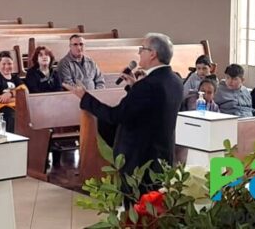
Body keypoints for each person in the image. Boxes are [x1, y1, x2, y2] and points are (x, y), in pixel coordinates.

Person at [73, 33, 184, 198]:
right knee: (156, 205)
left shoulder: (147, 85)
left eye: (142, 49)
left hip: (139, 159)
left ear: (153, 54)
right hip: (162, 153)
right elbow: (152, 108)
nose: (139, 53)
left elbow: (115, 116)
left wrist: (85, 98)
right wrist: (134, 86)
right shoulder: (175, 80)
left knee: (137, 208)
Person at [0, 51, 25, 132]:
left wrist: (10, 94)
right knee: (11, 114)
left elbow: (24, 92)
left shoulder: (15, 78)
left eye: (9, 64)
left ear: (13, 64)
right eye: (4, 64)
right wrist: (16, 98)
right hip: (2, 110)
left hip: (16, 106)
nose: (7, 66)